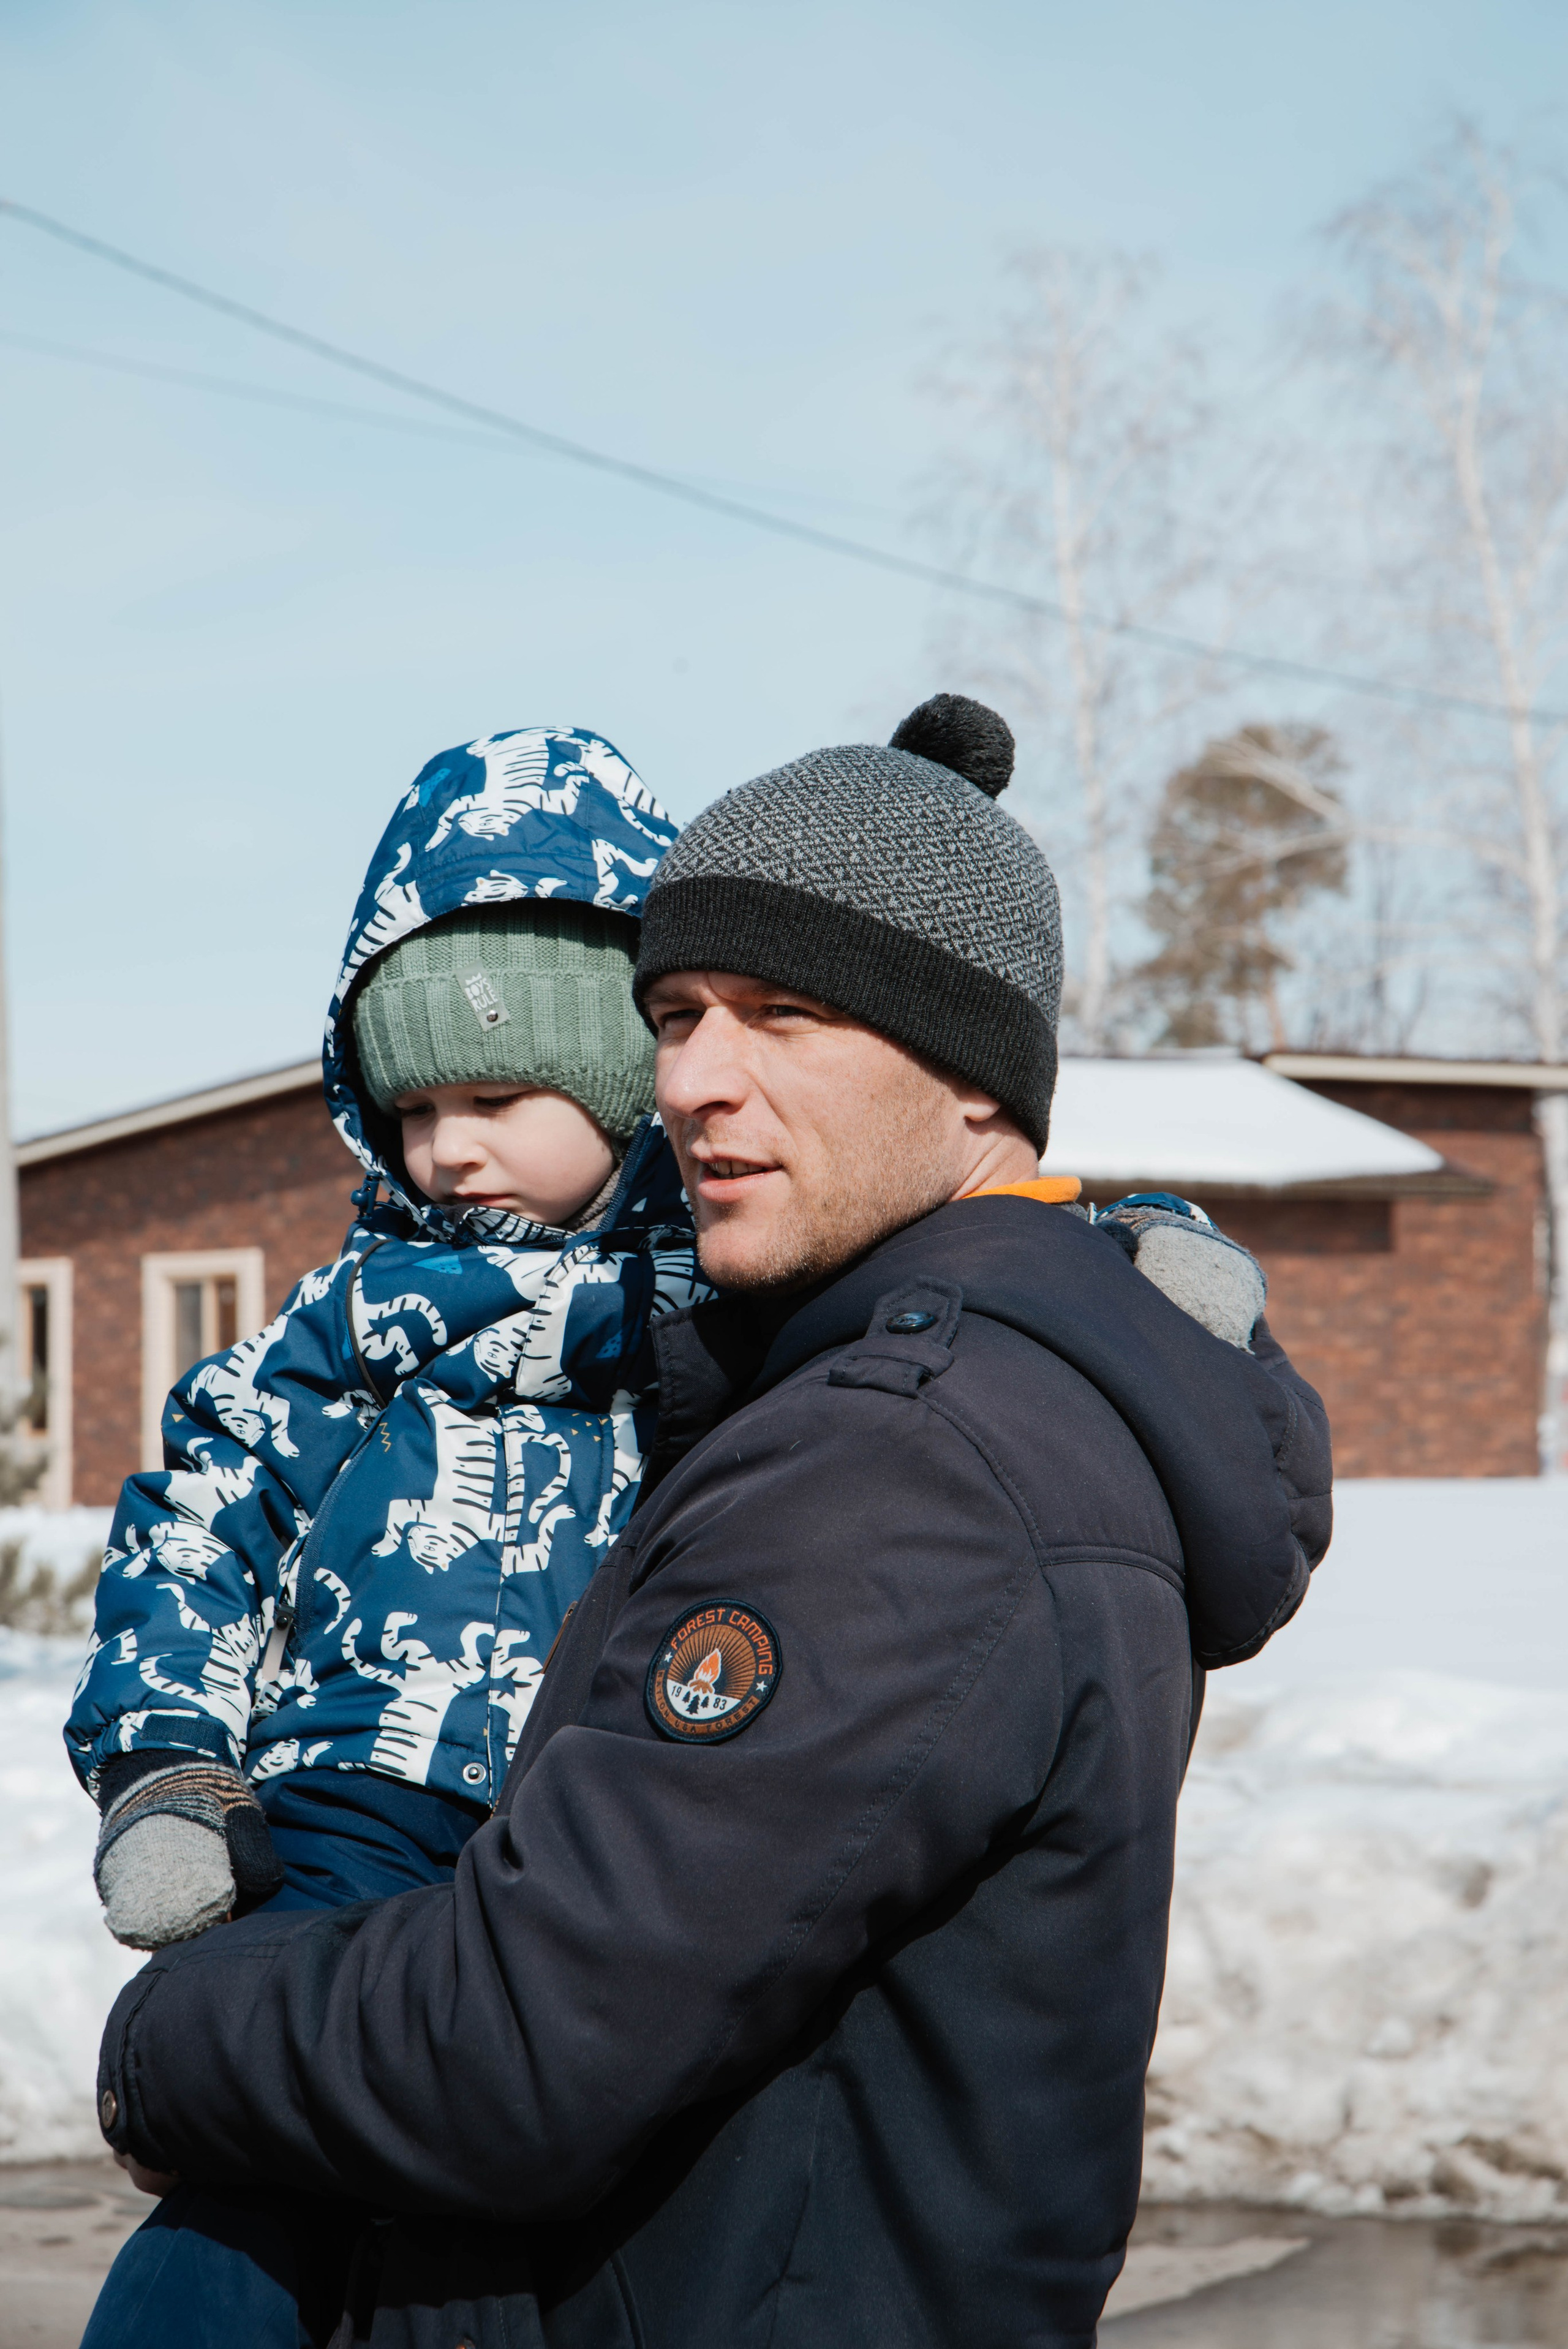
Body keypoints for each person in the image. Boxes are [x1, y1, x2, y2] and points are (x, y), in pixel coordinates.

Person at [91, 694, 1330, 2349]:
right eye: (671, 1013)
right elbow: (203, 1513)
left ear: (970, 1070)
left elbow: (519, 2043)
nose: (696, 1078)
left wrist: (163, 2037)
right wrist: (175, 1757)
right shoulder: (848, 1356)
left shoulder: (897, 1466)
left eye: (788, 1013)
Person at [67, 720, 700, 1936]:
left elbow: (918, 1281)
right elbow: (205, 1518)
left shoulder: (716, 1288)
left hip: (625, 1778)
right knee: (286, 2014)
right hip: (360, 1775)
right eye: (411, 1108)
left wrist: (1103, 1248)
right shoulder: (358, 1315)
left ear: (627, 1077)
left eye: (497, 1097)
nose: (446, 1147)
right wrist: (169, 1759)